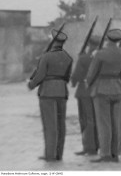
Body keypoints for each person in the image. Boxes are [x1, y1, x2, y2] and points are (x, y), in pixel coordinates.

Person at [28, 29, 73, 162]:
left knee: (50, 125)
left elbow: (40, 76)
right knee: (60, 124)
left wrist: (31, 84)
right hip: (62, 92)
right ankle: (59, 154)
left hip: (47, 92)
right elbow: (67, 77)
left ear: (52, 42)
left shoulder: (46, 56)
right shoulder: (68, 58)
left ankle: (50, 154)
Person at [86, 28, 121, 163]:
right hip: (118, 88)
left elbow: (91, 73)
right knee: (116, 122)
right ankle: (116, 153)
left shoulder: (100, 54)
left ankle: (105, 153)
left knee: (104, 123)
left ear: (107, 39)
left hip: (102, 88)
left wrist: (89, 84)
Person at [70, 34, 99, 156]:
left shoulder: (83, 58)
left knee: (86, 119)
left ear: (89, 45)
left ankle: (88, 146)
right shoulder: (100, 57)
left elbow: (76, 75)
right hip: (97, 90)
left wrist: (73, 82)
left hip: (84, 91)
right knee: (96, 118)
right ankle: (97, 144)